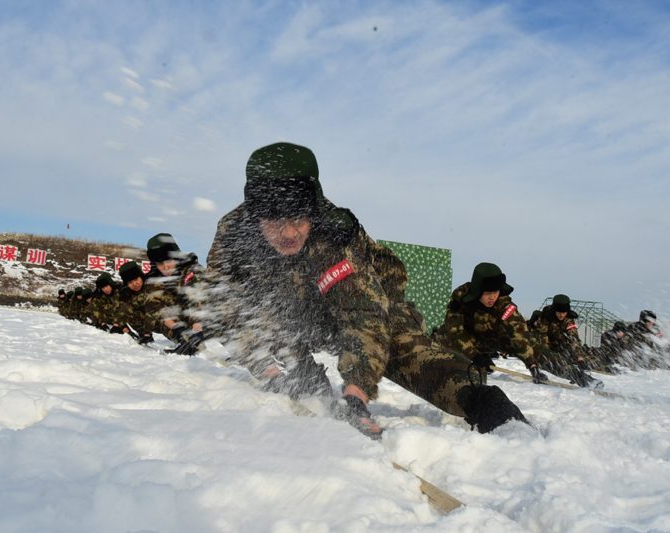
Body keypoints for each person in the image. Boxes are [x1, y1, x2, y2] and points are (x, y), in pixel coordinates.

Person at [205, 142, 528, 437]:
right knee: (297, 381)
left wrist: (356, 393)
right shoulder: (233, 236)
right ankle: (298, 373)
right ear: (256, 213)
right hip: (293, 312)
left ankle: (485, 403)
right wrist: (269, 370)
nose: (289, 232)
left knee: (402, 351)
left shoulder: (334, 236)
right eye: (275, 221)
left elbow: (363, 314)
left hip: (373, 304)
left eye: (299, 219)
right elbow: (224, 306)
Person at [444, 263, 547, 383]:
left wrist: (532, 365)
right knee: (443, 338)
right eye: (487, 293)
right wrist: (476, 356)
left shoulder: (503, 303)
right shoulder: (460, 298)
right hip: (471, 339)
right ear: (478, 291)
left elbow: (518, 331)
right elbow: (455, 333)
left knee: (534, 346)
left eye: (496, 291)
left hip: (496, 339)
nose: (492, 297)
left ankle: (566, 369)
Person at [144, 233, 206, 354]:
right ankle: (184, 341)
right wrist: (177, 329)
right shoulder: (156, 280)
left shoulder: (191, 270)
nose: (165, 267)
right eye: (160, 263)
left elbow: (198, 297)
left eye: (168, 260)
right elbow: (154, 304)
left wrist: (197, 329)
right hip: (184, 324)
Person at [534, 294, 603, 387]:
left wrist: (579, 357)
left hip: (562, 347)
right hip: (545, 348)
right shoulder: (546, 316)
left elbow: (573, 338)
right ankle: (579, 377)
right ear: (554, 310)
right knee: (556, 362)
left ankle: (589, 374)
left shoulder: (568, 319)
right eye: (559, 312)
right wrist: (549, 356)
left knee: (588, 359)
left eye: (564, 312)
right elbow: (542, 338)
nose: (562, 315)